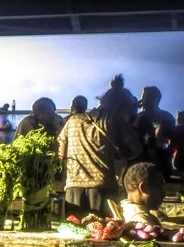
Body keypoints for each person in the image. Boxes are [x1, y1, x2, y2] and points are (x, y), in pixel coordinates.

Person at [58, 75, 143, 218]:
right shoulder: (114, 119)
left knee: (73, 235)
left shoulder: (73, 120)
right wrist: (118, 155)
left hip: (73, 189)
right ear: (121, 107)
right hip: (103, 189)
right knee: (105, 234)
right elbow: (136, 149)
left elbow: (61, 153)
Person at [132, 86, 175, 178]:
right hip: (138, 160)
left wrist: (167, 155)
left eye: (146, 97)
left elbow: (172, 140)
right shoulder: (137, 117)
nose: (143, 100)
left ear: (156, 99)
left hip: (160, 160)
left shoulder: (166, 116)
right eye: (142, 97)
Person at [119, 162, 166, 226]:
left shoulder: (125, 208)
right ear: (143, 188)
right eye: (159, 187)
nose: (164, 194)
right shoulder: (141, 223)